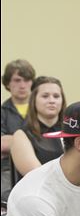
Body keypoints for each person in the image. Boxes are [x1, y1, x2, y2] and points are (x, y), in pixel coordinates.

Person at [10, 76, 66, 184]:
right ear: (33, 100)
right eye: (45, 96)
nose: (51, 100)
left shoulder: (71, 131)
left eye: (56, 96)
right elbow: (38, 176)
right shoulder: (21, 135)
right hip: (37, 194)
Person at [1, 59, 36, 199]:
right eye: (17, 80)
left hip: (41, 166)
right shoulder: (2, 112)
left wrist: (14, 141)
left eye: (27, 80)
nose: (22, 85)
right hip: (7, 171)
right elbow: (2, 144)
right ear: (8, 83)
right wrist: (36, 141)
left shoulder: (44, 110)